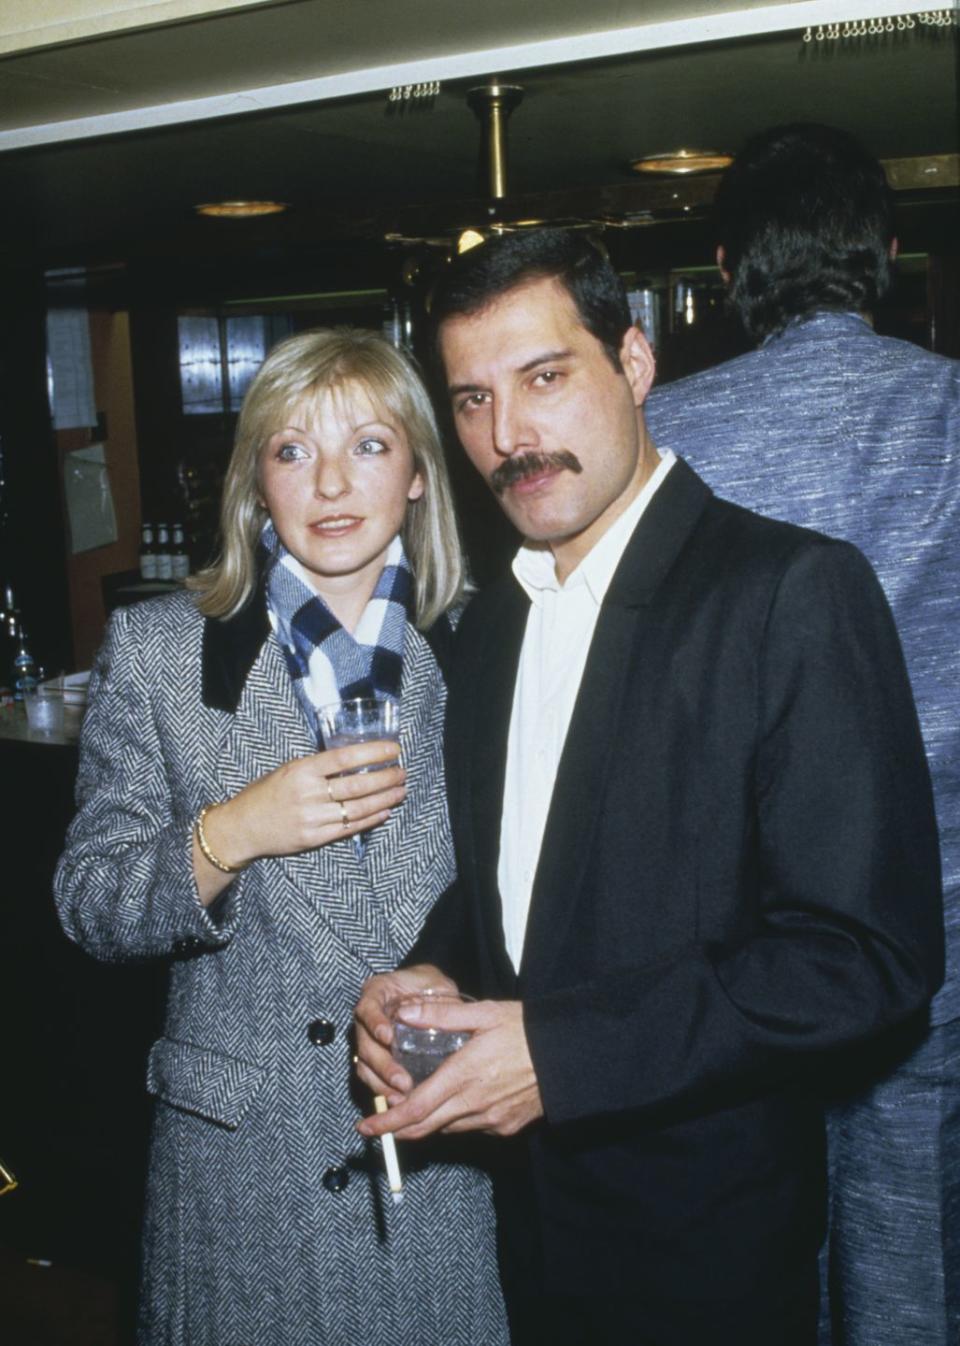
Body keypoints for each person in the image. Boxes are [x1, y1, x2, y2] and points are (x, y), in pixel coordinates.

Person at [353, 228, 944, 1346]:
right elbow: (527, 886)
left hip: (707, 1252)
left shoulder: (792, 592)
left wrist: (563, 1056)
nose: (509, 436)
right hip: (529, 1229)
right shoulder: (494, 620)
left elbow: (869, 954)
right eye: (472, 400)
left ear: (633, 363)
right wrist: (436, 964)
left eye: (544, 378)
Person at [54, 328, 508, 1346]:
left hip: (434, 1160)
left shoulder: (487, 647)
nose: (332, 482)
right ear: (257, 483)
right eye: (294, 450)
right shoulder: (164, 650)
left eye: (370, 445)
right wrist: (227, 833)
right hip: (239, 1177)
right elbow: (87, 901)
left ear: (424, 473)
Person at [643, 122, 960, 1346]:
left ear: (729, 267)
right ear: (886, 251)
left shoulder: (667, 435)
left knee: (739, 1276)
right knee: (911, 1280)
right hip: (937, 929)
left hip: (734, 947)